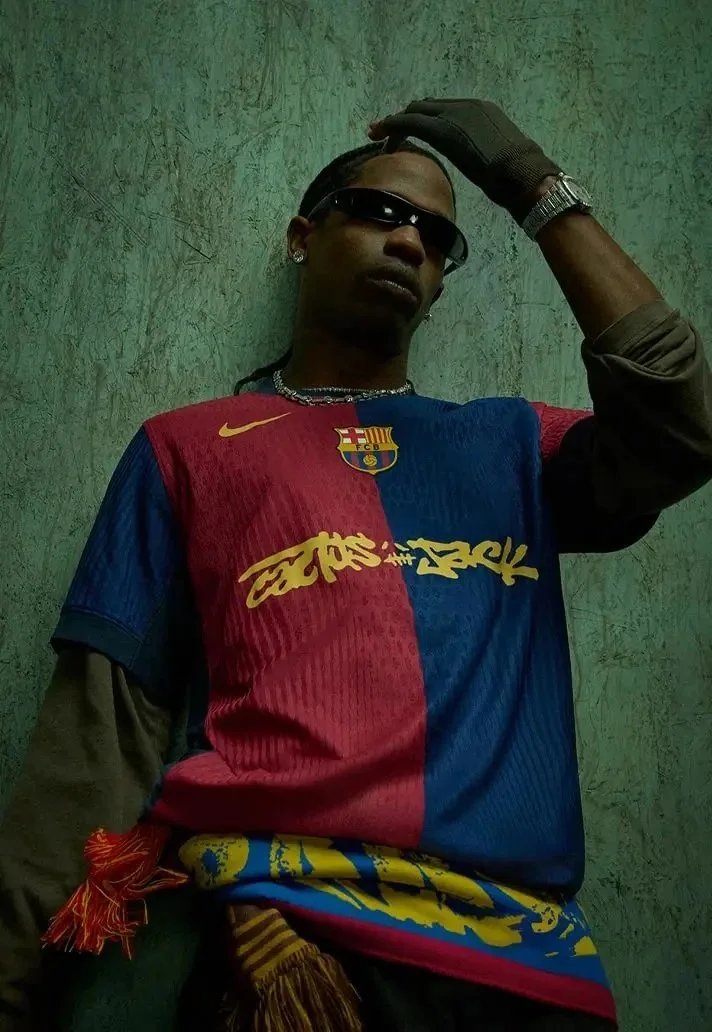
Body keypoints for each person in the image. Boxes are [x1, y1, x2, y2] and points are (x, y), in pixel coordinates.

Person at [1, 98, 710, 1032]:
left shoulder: (513, 447)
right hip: (291, 967)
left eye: (437, 236)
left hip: (526, 973)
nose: (409, 239)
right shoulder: (188, 450)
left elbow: (679, 426)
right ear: (303, 237)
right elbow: (97, 745)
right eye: (378, 211)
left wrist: (529, 183)